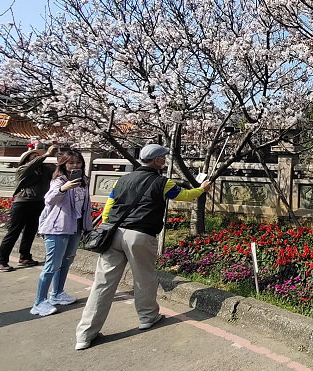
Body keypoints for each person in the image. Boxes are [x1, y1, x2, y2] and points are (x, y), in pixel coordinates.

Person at [75, 143, 211, 350]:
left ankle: (85, 334)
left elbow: (109, 207)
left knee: (103, 284)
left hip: (112, 233)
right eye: (162, 158)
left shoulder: (122, 180)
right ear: (156, 161)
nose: (164, 161)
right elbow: (184, 196)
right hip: (140, 235)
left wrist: (107, 228)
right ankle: (147, 317)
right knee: (144, 278)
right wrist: (202, 189)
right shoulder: (161, 182)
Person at [30, 150, 92, 316]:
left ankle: (57, 293)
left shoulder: (84, 180)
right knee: (52, 265)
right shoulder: (59, 180)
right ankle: (39, 302)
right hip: (57, 228)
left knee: (66, 262)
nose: (75, 166)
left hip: (75, 227)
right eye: (71, 163)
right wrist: (63, 189)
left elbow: (86, 204)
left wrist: (88, 225)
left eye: (78, 163)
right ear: (64, 164)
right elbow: (49, 200)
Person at [0, 142, 58, 272]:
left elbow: (57, 172)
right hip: (22, 203)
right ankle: (0, 261)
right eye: (32, 156)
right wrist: (45, 154)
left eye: (36, 156)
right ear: (26, 160)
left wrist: (60, 157)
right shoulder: (22, 170)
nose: (35, 158)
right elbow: (31, 166)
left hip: (38, 202)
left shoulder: (44, 170)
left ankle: (25, 257)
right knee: (13, 232)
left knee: (30, 231)